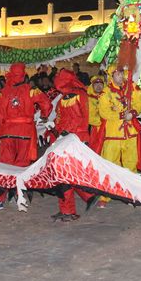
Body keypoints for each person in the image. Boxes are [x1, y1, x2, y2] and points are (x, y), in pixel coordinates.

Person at [0, 63, 52, 210]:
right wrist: (44, 116)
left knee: (4, 165)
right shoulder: (31, 90)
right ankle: (16, 195)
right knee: (21, 165)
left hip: (7, 133)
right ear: (23, 75)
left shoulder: (3, 93)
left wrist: (5, 125)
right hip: (25, 133)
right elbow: (46, 103)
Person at [51, 69, 96, 221]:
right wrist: (58, 130)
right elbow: (59, 119)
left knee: (71, 174)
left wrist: (72, 133)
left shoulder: (80, 95)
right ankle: (69, 208)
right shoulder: (63, 98)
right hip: (67, 140)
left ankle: (81, 200)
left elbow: (85, 118)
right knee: (63, 175)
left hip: (76, 140)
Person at [98, 65, 141, 174]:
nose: (121, 76)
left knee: (131, 161)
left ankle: (131, 182)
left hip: (130, 132)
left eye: (122, 73)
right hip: (113, 133)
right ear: (111, 76)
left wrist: (133, 113)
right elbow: (103, 112)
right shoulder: (105, 92)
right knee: (111, 162)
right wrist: (121, 115)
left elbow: (140, 101)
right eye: (118, 74)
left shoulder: (131, 87)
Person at [86, 75, 105, 154]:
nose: (98, 86)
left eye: (101, 84)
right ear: (92, 86)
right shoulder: (89, 98)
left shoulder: (106, 97)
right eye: (96, 84)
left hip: (108, 127)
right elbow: (90, 117)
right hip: (96, 128)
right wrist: (103, 120)